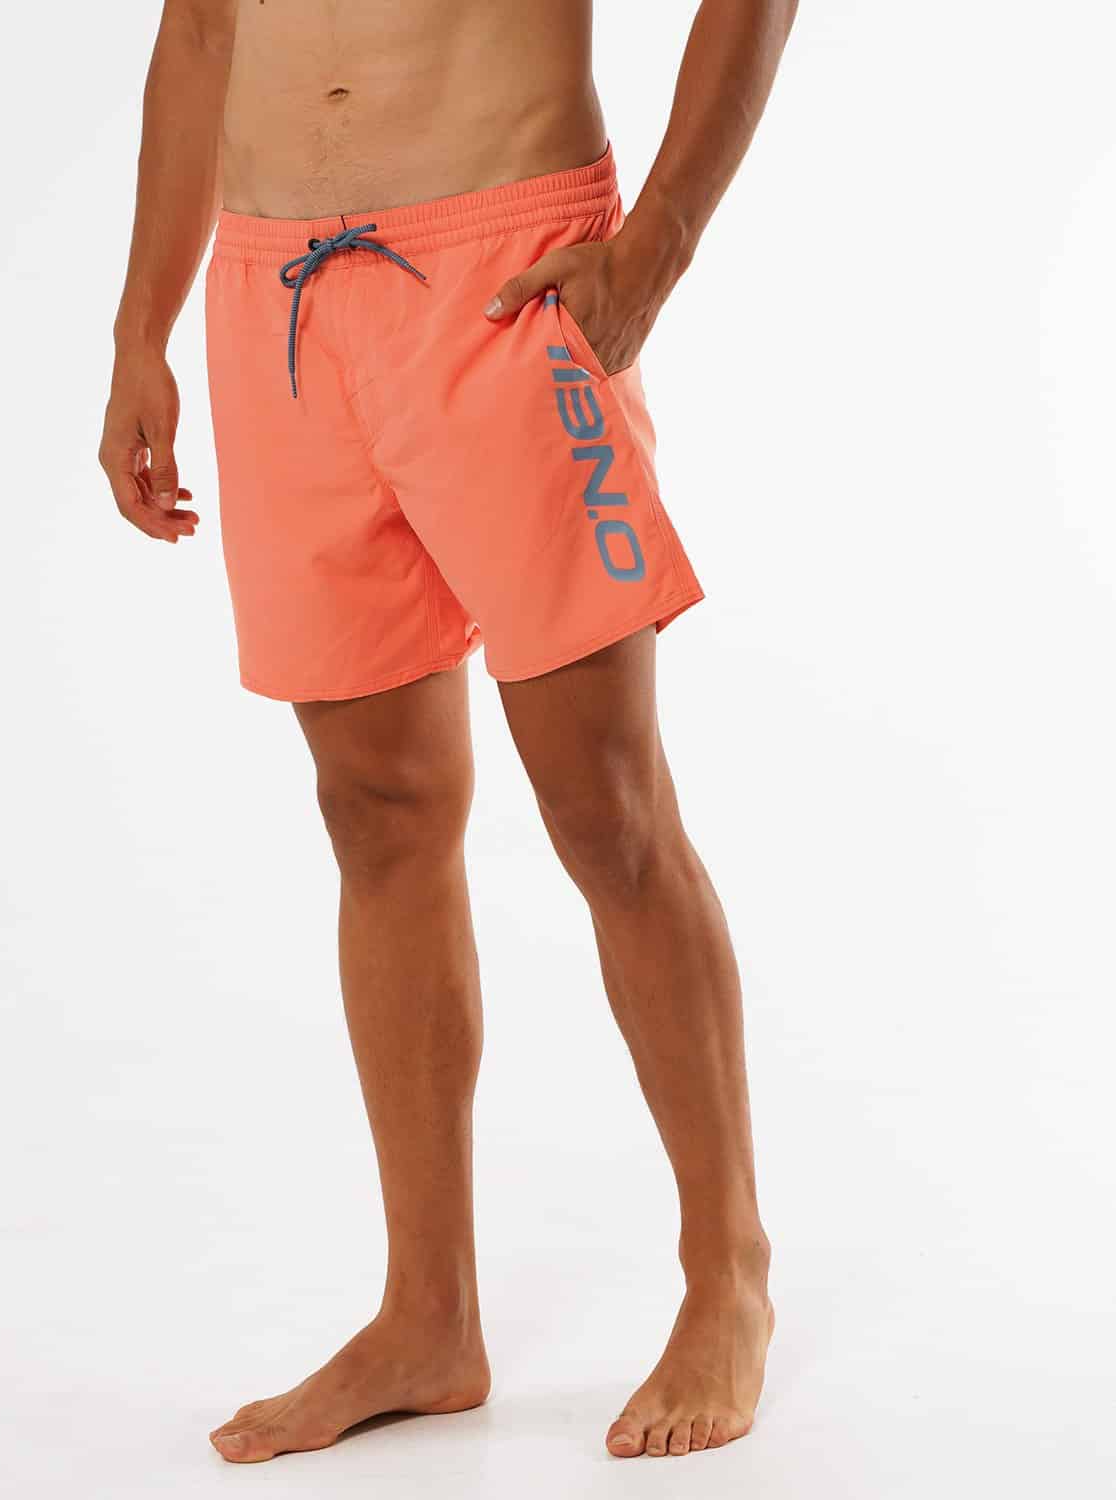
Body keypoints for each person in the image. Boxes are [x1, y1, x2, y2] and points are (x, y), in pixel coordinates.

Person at [100, 0, 796, 1465]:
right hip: (274, 294)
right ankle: (428, 1317)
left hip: (507, 273)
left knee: (605, 808)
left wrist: (658, 247)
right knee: (377, 808)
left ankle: (725, 1273)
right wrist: (137, 332)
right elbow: (203, 32)